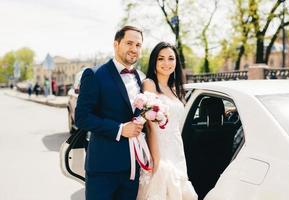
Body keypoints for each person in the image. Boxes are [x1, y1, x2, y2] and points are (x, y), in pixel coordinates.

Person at [75, 25, 145, 200]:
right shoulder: (95, 74)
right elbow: (82, 118)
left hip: (132, 169)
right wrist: (120, 129)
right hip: (103, 169)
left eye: (138, 45)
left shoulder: (138, 77)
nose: (134, 49)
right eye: (129, 43)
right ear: (116, 44)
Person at [137, 42, 198, 200]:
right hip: (160, 150)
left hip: (176, 149)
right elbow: (150, 128)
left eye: (171, 58)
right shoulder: (149, 84)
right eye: (161, 59)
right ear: (154, 62)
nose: (166, 63)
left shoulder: (174, 88)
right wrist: (157, 160)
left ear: (176, 62)